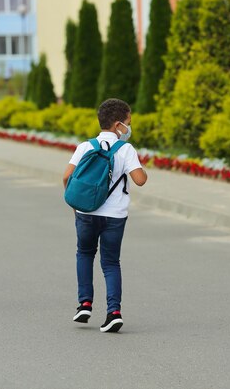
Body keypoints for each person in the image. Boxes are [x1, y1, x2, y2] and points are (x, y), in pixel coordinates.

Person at [63, 98, 147, 332]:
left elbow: (66, 177)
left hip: (86, 212)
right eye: (128, 123)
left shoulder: (85, 147)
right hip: (115, 216)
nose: (130, 128)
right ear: (118, 125)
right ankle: (114, 313)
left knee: (84, 254)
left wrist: (76, 207)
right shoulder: (126, 149)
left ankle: (85, 304)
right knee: (110, 263)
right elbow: (140, 180)